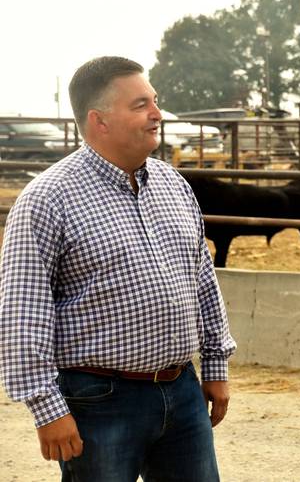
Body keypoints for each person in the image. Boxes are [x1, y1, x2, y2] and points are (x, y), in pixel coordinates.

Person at [0, 56, 236, 481]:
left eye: (155, 101)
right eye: (140, 104)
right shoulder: (47, 200)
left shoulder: (173, 185)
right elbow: (23, 313)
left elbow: (202, 278)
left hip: (181, 391)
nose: (157, 114)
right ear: (99, 120)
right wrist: (46, 409)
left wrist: (216, 365)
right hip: (98, 401)